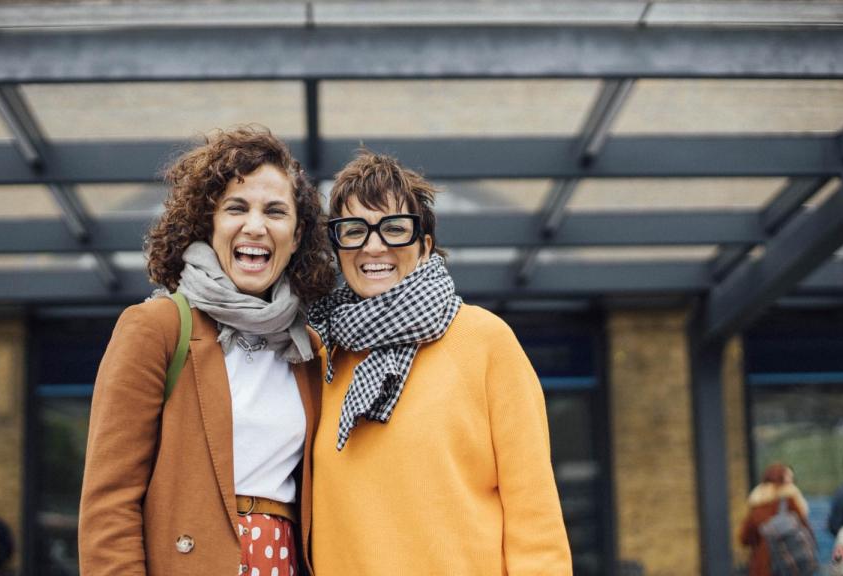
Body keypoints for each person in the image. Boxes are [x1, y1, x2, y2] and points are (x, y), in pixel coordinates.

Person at [78, 126, 334, 575]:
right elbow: (109, 502)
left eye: (275, 211)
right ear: (208, 224)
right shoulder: (155, 328)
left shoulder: (306, 349)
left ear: (295, 237)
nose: (255, 226)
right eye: (237, 208)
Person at [307, 151, 573, 575]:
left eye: (394, 228)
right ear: (338, 248)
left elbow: (534, 512)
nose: (373, 246)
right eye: (354, 230)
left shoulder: (484, 340)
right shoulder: (320, 355)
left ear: (424, 244)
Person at [739, 462, 812, 576]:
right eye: (789, 479)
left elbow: (744, 538)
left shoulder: (757, 506)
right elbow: (806, 530)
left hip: (764, 566)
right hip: (793, 565)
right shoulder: (791, 501)